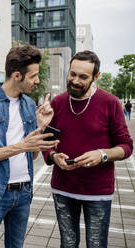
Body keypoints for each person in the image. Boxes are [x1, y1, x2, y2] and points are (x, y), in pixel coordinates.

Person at [0, 44, 59, 248]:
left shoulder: (28, 104)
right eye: (33, 76)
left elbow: (32, 155)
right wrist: (22, 146)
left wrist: (41, 128)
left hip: (24, 192)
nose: (37, 81)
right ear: (17, 75)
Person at [42, 50, 133, 248]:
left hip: (97, 191)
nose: (75, 81)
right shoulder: (57, 102)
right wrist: (53, 156)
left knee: (96, 244)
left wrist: (102, 154)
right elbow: (46, 142)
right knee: (67, 243)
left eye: (83, 77)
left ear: (95, 77)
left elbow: (126, 146)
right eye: (72, 74)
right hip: (63, 188)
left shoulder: (110, 103)